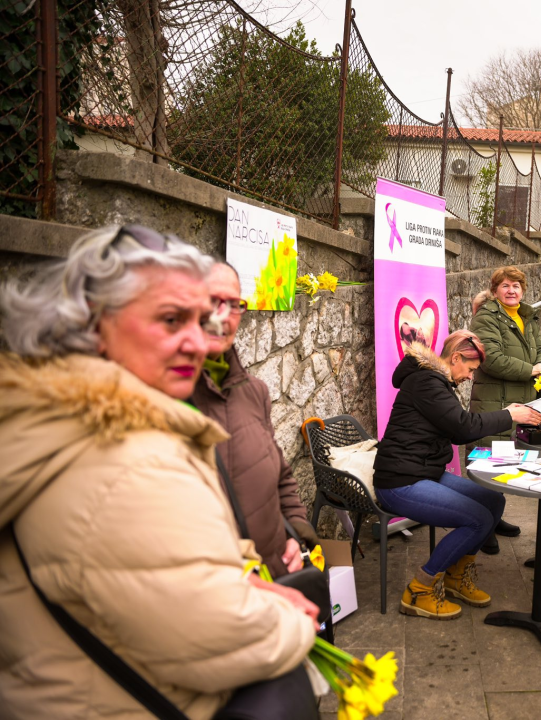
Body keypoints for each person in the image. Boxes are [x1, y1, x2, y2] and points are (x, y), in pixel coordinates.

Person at [0, 226, 317, 718]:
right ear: (94, 322)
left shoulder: (76, 417)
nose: (196, 341)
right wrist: (295, 619)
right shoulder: (129, 457)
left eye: (200, 319)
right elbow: (221, 636)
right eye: (171, 320)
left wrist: (276, 548)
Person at [373, 331, 541, 620]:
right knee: (478, 520)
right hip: (399, 482)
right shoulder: (427, 383)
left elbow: (455, 429)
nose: (470, 377)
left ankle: (455, 576)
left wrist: (504, 414)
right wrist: (509, 415)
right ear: (455, 358)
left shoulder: (435, 381)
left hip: (423, 472)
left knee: (493, 502)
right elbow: (463, 427)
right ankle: (419, 591)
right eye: (470, 369)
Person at [190, 262, 317, 579]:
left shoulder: (254, 392)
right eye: (212, 300)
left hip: (275, 571)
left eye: (235, 304)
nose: (223, 315)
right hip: (214, 589)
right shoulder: (165, 399)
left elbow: (281, 475)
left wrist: (297, 531)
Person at [469, 266, 541, 550]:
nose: (511, 290)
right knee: (487, 466)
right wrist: (532, 369)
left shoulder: (527, 316)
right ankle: (481, 526)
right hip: (496, 402)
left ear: (523, 290)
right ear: (495, 291)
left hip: (521, 402)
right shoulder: (486, 316)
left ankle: (494, 517)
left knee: (507, 464)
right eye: (505, 285)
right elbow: (491, 359)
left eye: (516, 285)